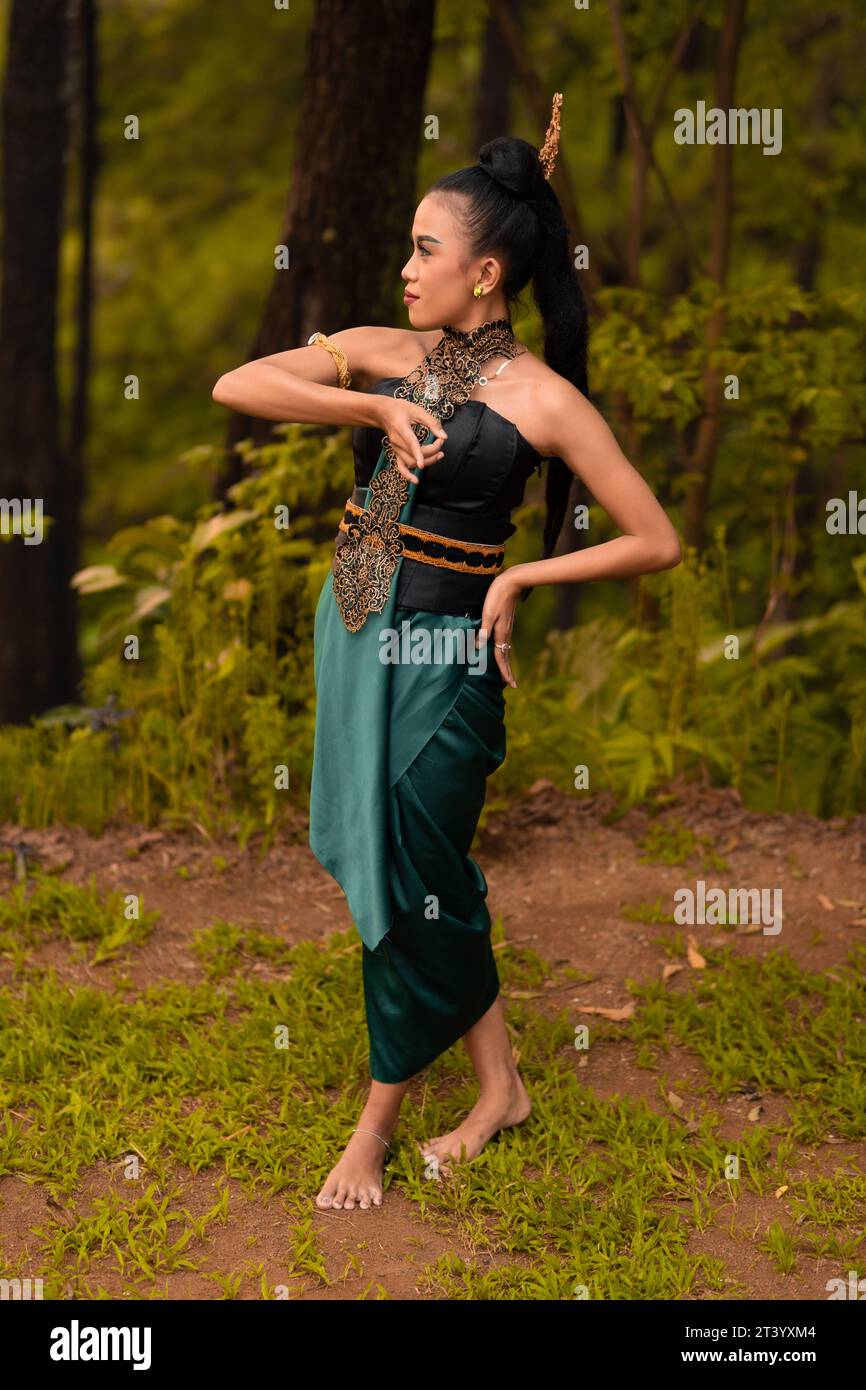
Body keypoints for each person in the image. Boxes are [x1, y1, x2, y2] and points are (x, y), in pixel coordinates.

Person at [212, 95, 681, 1212]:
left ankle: (374, 1124)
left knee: (418, 868)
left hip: (446, 646)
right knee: (396, 858)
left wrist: (520, 575)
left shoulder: (546, 401)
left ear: (486, 273)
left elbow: (655, 538)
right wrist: (369, 416)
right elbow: (240, 384)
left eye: (426, 249)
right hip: (359, 621)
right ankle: (501, 1088)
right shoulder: (387, 353)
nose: (406, 266)